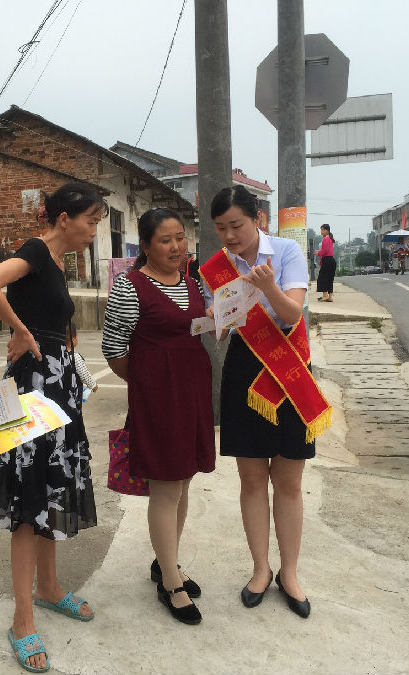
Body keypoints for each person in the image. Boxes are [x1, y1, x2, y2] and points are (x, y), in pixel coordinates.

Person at [0, 183, 104, 673]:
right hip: (33, 388)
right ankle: (22, 618)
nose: (94, 231)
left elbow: (49, 316)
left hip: (58, 387)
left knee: (51, 488)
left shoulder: (56, 264)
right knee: (29, 498)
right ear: (64, 218)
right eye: (91, 221)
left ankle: (49, 588)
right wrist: (21, 330)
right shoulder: (34, 251)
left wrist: (58, 336)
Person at [201, 185, 331, 619]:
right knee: (252, 479)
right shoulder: (218, 267)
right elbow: (222, 323)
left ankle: (289, 573)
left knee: (289, 481)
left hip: (288, 365)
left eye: (236, 225)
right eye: (221, 228)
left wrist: (269, 286)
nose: (229, 236)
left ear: (257, 219)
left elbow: (292, 314)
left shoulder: (287, 251)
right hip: (245, 366)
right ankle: (261, 568)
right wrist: (216, 321)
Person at [102, 208, 215, 626]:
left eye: (180, 238)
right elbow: (114, 348)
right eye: (165, 240)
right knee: (166, 488)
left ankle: (166, 562)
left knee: (183, 482)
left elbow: (194, 328)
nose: (176, 247)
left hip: (193, 392)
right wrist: (147, 382)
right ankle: (170, 582)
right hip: (159, 398)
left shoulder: (193, 281)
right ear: (146, 245)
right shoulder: (129, 287)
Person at [68, 322, 98, 399]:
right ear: (73, 339)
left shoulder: (59, 355)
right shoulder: (75, 357)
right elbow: (84, 374)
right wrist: (93, 385)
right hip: (73, 393)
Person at [313, 224, 336, 301]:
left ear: (327, 230)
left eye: (323, 230)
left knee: (322, 278)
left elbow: (325, 251)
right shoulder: (330, 238)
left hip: (327, 260)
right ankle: (330, 297)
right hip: (331, 260)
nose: (321, 231)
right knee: (330, 278)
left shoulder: (326, 239)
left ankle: (325, 295)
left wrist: (317, 253)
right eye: (321, 230)